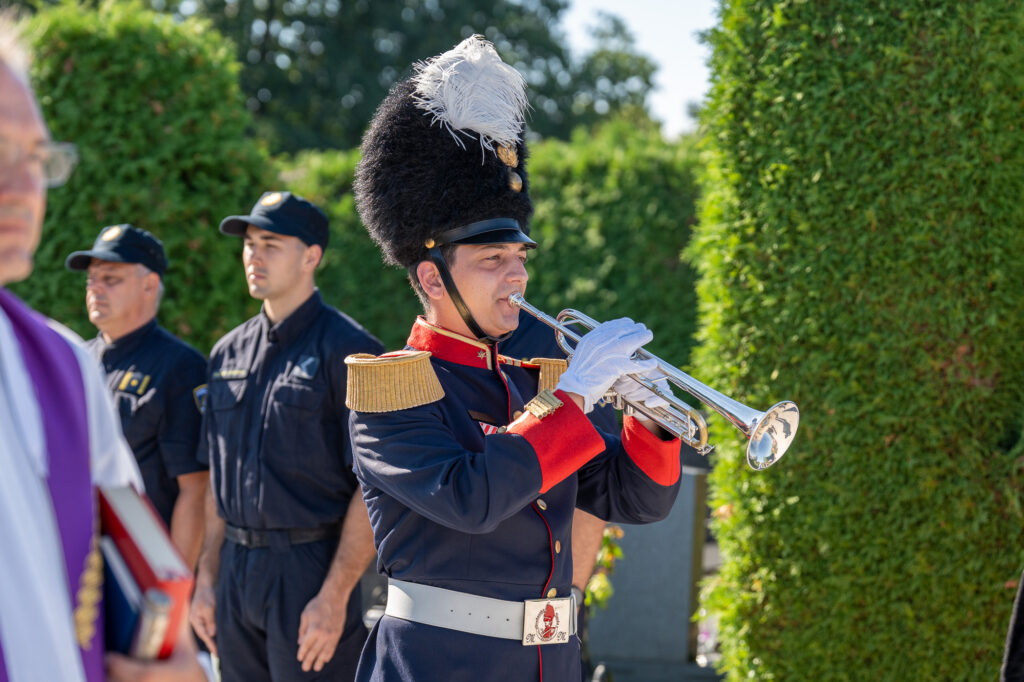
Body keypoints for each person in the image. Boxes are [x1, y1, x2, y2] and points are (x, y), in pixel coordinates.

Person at [347, 36, 686, 681]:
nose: (517, 276)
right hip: (440, 665)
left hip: (548, 662)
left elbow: (631, 501)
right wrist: (572, 397)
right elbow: (471, 498)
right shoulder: (391, 391)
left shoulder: (533, 381)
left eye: (520, 258)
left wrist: (652, 417)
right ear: (432, 277)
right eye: (492, 260)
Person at [0, 15, 144, 681]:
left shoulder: (61, 367)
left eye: (37, 160)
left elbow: (128, 563)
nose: (26, 190)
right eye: (1, 153)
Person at [190, 191, 385, 682]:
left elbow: (373, 485)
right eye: (249, 243)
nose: (253, 255)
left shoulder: (351, 351)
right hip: (235, 572)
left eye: (271, 244)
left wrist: (335, 595)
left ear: (310, 257)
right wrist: (207, 578)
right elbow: (217, 479)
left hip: (309, 572)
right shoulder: (226, 352)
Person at [65, 224, 208, 568]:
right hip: (83, 556)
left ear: (149, 285)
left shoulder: (180, 367)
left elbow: (196, 488)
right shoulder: (79, 361)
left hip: (143, 564)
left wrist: (176, 581)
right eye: (91, 280)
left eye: (110, 279)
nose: (95, 288)